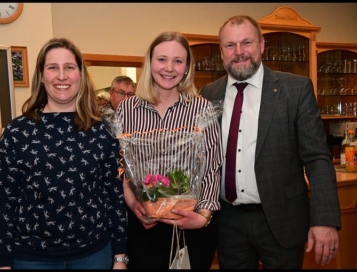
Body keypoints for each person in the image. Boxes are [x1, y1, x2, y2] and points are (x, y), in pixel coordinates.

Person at [200, 15, 341, 269]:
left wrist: (325, 219)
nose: (239, 52)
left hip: (282, 220)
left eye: (247, 43)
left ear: (262, 45)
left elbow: (317, 158)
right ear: (221, 52)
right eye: (230, 45)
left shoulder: (295, 89)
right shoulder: (209, 94)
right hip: (228, 222)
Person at [0, 37, 128, 269]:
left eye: (69, 68)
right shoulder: (17, 132)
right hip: (30, 258)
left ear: (80, 75)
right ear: (42, 76)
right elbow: (3, 203)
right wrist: (1, 262)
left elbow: (113, 196)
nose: (61, 76)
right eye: (53, 68)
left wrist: (120, 257)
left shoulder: (102, 131)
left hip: (93, 254)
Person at [115, 31, 223, 269]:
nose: (169, 68)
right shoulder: (127, 110)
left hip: (191, 226)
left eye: (178, 61)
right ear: (150, 62)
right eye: (162, 59)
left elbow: (212, 168)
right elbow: (121, 168)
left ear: (187, 67)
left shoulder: (202, 108)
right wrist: (133, 204)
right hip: (144, 226)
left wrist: (203, 217)